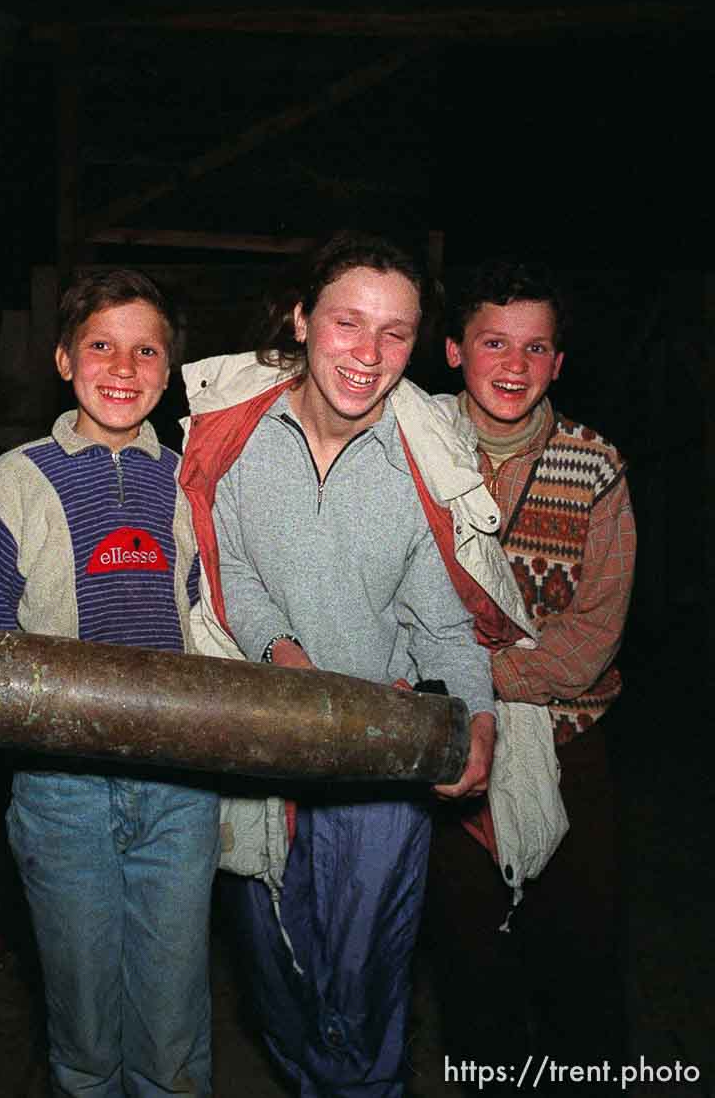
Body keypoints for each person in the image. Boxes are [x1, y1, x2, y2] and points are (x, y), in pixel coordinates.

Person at [178, 232, 533, 1098]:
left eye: (396, 334)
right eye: (347, 322)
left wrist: (478, 720)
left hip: (381, 762)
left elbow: (447, 624)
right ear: (302, 320)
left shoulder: (421, 462)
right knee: (276, 975)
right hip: (263, 749)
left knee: (369, 980)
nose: (368, 356)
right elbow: (233, 573)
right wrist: (277, 649)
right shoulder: (237, 443)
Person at [0, 268, 220, 1097]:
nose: (124, 367)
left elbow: (211, 621)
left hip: (179, 791)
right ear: (64, 359)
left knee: (173, 1041)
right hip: (62, 795)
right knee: (87, 1041)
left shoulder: (188, 481)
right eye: (102, 345)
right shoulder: (17, 478)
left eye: (147, 351)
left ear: (170, 373)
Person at [426, 260, 634, 1090]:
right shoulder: (411, 450)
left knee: (582, 966)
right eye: (493, 343)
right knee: (473, 970)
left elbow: (591, 640)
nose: (513, 365)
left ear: (558, 363)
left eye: (536, 347)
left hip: (568, 742)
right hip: (452, 756)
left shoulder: (594, 465)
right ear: (452, 350)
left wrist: (463, 669)